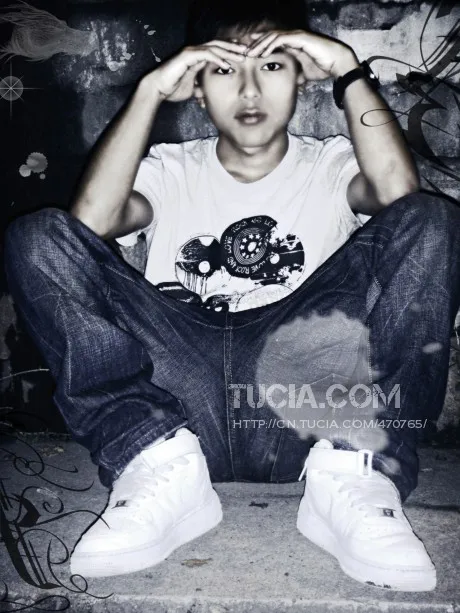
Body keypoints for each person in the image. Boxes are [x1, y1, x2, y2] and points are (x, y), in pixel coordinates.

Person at [4, 0, 460, 591]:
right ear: (196, 88)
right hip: (178, 404)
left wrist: (347, 69)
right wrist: (149, 91)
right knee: (39, 237)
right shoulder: (169, 167)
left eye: (271, 66)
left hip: (302, 400)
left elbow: (402, 199)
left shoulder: (332, 164)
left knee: (431, 220)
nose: (249, 90)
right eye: (223, 70)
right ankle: (150, 458)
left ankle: (357, 470)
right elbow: (88, 225)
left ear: (301, 77)